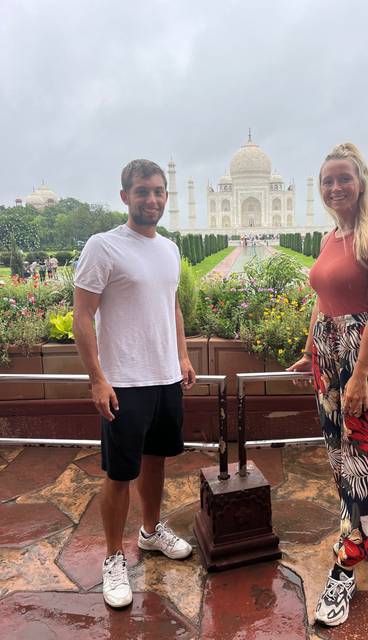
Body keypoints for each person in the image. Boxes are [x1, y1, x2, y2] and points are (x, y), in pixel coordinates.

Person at [73, 159, 196, 609]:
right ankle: (112, 558)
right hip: (124, 381)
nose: (152, 199)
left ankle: (149, 532)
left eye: (159, 191)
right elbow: (82, 317)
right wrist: (98, 379)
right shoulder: (103, 247)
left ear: (167, 196)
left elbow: (172, 306)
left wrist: (181, 355)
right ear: (125, 196)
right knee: (120, 473)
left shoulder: (170, 248)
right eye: (143, 191)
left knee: (157, 460)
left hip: (164, 376)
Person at [288, 142, 368, 627]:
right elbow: (322, 296)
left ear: (361, 182)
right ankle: (367, 534)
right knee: (341, 455)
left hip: (361, 358)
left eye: (343, 179)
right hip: (328, 356)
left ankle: (344, 567)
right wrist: (310, 347)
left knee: (362, 459)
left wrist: (357, 376)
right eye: (327, 180)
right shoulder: (333, 237)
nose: (335, 188)